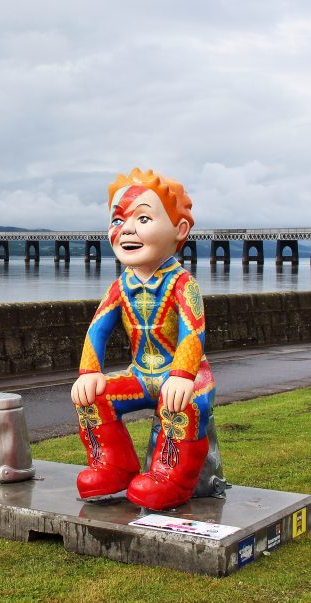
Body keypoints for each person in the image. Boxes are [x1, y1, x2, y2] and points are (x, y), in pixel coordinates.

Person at [70, 168, 214, 510]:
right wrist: (89, 372)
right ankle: (113, 466)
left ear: (178, 230)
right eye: (118, 219)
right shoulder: (120, 286)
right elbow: (97, 329)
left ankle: (170, 477)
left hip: (185, 377)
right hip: (140, 376)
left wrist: (182, 376)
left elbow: (193, 331)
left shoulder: (182, 284)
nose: (127, 230)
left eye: (144, 218)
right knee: (94, 395)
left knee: (187, 401)